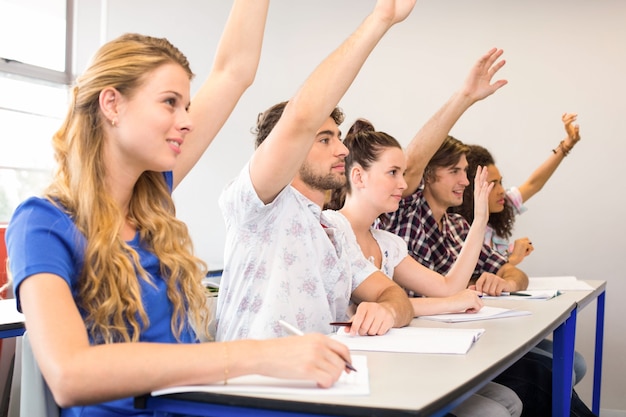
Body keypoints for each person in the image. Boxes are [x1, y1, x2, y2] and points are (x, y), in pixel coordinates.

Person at [5, 2, 356, 416]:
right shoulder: (41, 222)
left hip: (192, 404)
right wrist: (257, 355)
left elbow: (234, 70)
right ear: (112, 104)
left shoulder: (151, 199)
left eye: (186, 106)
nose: (186, 121)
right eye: (170, 103)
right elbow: (69, 374)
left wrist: (384, 17)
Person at [215, 0, 416, 342]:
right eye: (324, 139)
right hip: (255, 384)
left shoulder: (334, 228)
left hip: (319, 381)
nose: (342, 150)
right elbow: (300, 118)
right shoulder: (259, 205)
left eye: (338, 138)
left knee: (501, 399)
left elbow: (396, 297)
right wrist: (379, 20)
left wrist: (385, 309)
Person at [326, 119, 524, 417]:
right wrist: (447, 304)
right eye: (393, 173)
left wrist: (480, 219)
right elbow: (368, 309)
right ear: (358, 177)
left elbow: (447, 287)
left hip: (386, 360)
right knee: (494, 409)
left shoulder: (387, 242)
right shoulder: (332, 230)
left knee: (507, 401)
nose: (403, 184)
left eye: (403, 174)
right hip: (352, 372)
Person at [449, 113, 582, 265]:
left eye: (500, 182)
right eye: (493, 184)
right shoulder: (456, 229)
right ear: (470, 189)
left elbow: (534, 183)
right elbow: (471, 280)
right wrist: (510, 260)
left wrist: (567, 145)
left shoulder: (500, 205)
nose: (501, 191)